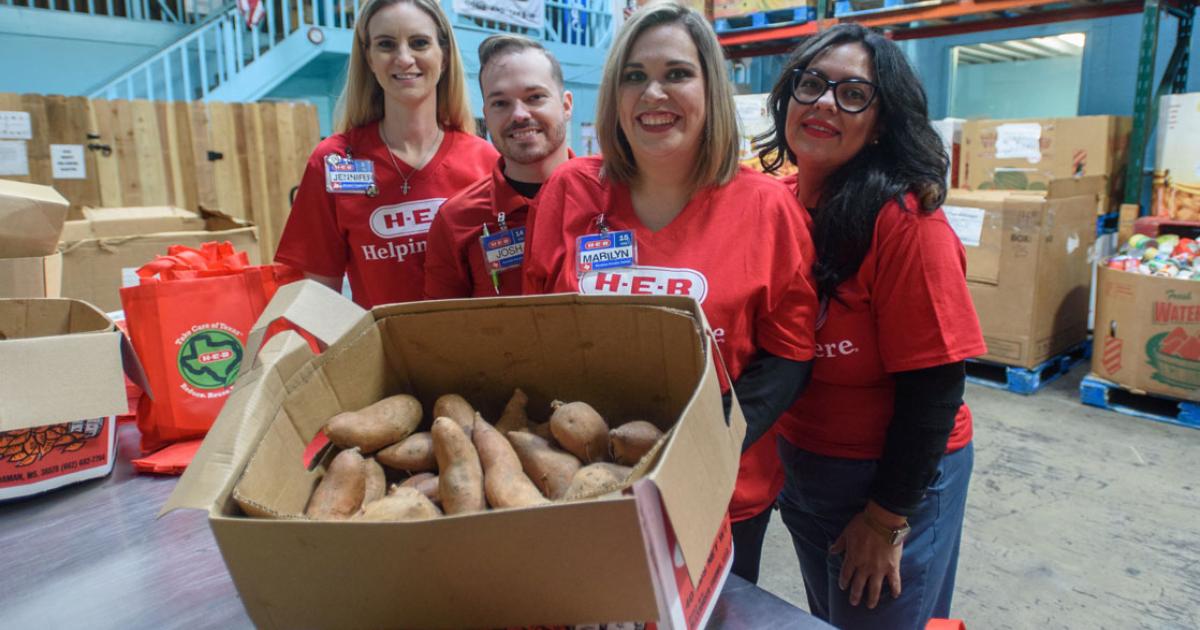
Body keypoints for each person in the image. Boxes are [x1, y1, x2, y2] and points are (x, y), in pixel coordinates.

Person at [522, 2, 818, 584]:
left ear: (711, 87)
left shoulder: (767, 207)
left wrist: (700, 446)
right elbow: (538, 330)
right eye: (634, 76)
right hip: (581, 483)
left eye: (677, 74)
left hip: (718, 492)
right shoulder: (569, 191)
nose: (653, 93)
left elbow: (789, 355)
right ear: (614, 94)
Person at [755, 23, 987, 629]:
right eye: (811, 85)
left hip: (893, 478)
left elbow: (936, 388)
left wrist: (886, 520)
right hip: (803, 465)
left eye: (853, 93)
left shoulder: (907, 225)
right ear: (788, 98)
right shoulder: (776, 206)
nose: (825, 103)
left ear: (881, 121)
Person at [275, 0, 497, 308]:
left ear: (443, 56)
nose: (404, 58)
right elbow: (317, 295)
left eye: (419, 43)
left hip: (471, 351)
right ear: (369, 58)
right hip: (381, 354)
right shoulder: (336, 161)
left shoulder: (485, 161)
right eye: (386, 44)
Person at [424, 35, 573, 298]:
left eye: (535, 97)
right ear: (487, 115)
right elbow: (443, 330)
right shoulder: (456, 220)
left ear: (566, 105)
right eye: (500, 103)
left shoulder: (613, 196)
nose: (519, 114)